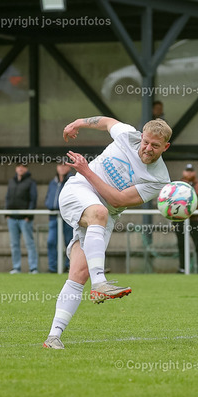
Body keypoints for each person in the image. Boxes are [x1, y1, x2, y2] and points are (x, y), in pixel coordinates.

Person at [43, 116, 172, 349]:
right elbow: (105, 122)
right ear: (141, 137)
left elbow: (118, 199)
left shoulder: (159, 179)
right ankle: (100, 283)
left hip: (105, 214)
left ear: (166, 147)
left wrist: (86, 169)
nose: (147, 148)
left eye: (155, 145)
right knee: (99, 212)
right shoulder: (127, 135)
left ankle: (53, 337)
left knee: (80, 273)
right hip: (79, 189)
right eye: (146, 142)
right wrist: (78, 123)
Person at [5, 163, 38, 274]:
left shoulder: (31, 182)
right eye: (19, 166)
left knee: (29, 243)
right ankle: (16, 267)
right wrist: (7, 213)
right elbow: (8, 197)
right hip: (12, 217)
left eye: (23, 166)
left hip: (25, 218)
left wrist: (29, 215)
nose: (20, 168)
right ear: (16, 168)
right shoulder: (11, 181)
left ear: (26, 168)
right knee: (14, 244)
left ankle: (33, 268)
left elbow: (33, 199)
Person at [175, 163, 198, 274]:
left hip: (194, 220)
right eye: (187, 171)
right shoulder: (178, 185)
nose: (189, 173)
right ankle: (182, 267)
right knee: (181, 244)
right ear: (183, 172)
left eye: (191, 171)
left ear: (194, 173)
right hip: (180, 219)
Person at [45, 163, 74, 273]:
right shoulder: (53, 182)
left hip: (68, 216)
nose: (61, 167)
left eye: (64, 165)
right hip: (54, 216)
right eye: (59, 165)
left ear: (69, 167)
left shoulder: (72, 181)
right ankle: (52, 267)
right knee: (51, 242)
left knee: (69, 242)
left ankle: (69, 266)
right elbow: (48, 197)